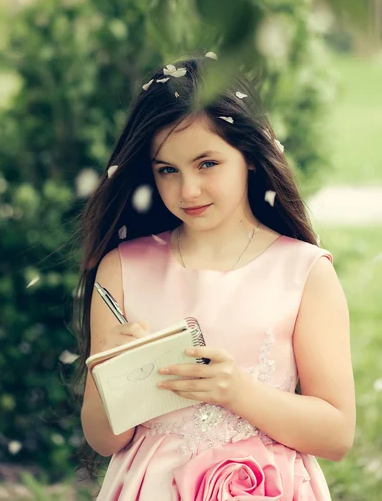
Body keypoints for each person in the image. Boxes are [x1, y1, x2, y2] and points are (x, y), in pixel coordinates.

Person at [74, 54, 356, 500]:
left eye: (207, 164)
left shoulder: (304, 272)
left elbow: (337, 434)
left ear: (249, 155)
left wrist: (240, 392)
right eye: (167, 170)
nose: (188, 190)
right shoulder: (122, 268)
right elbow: (103, 439)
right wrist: (115, 376)